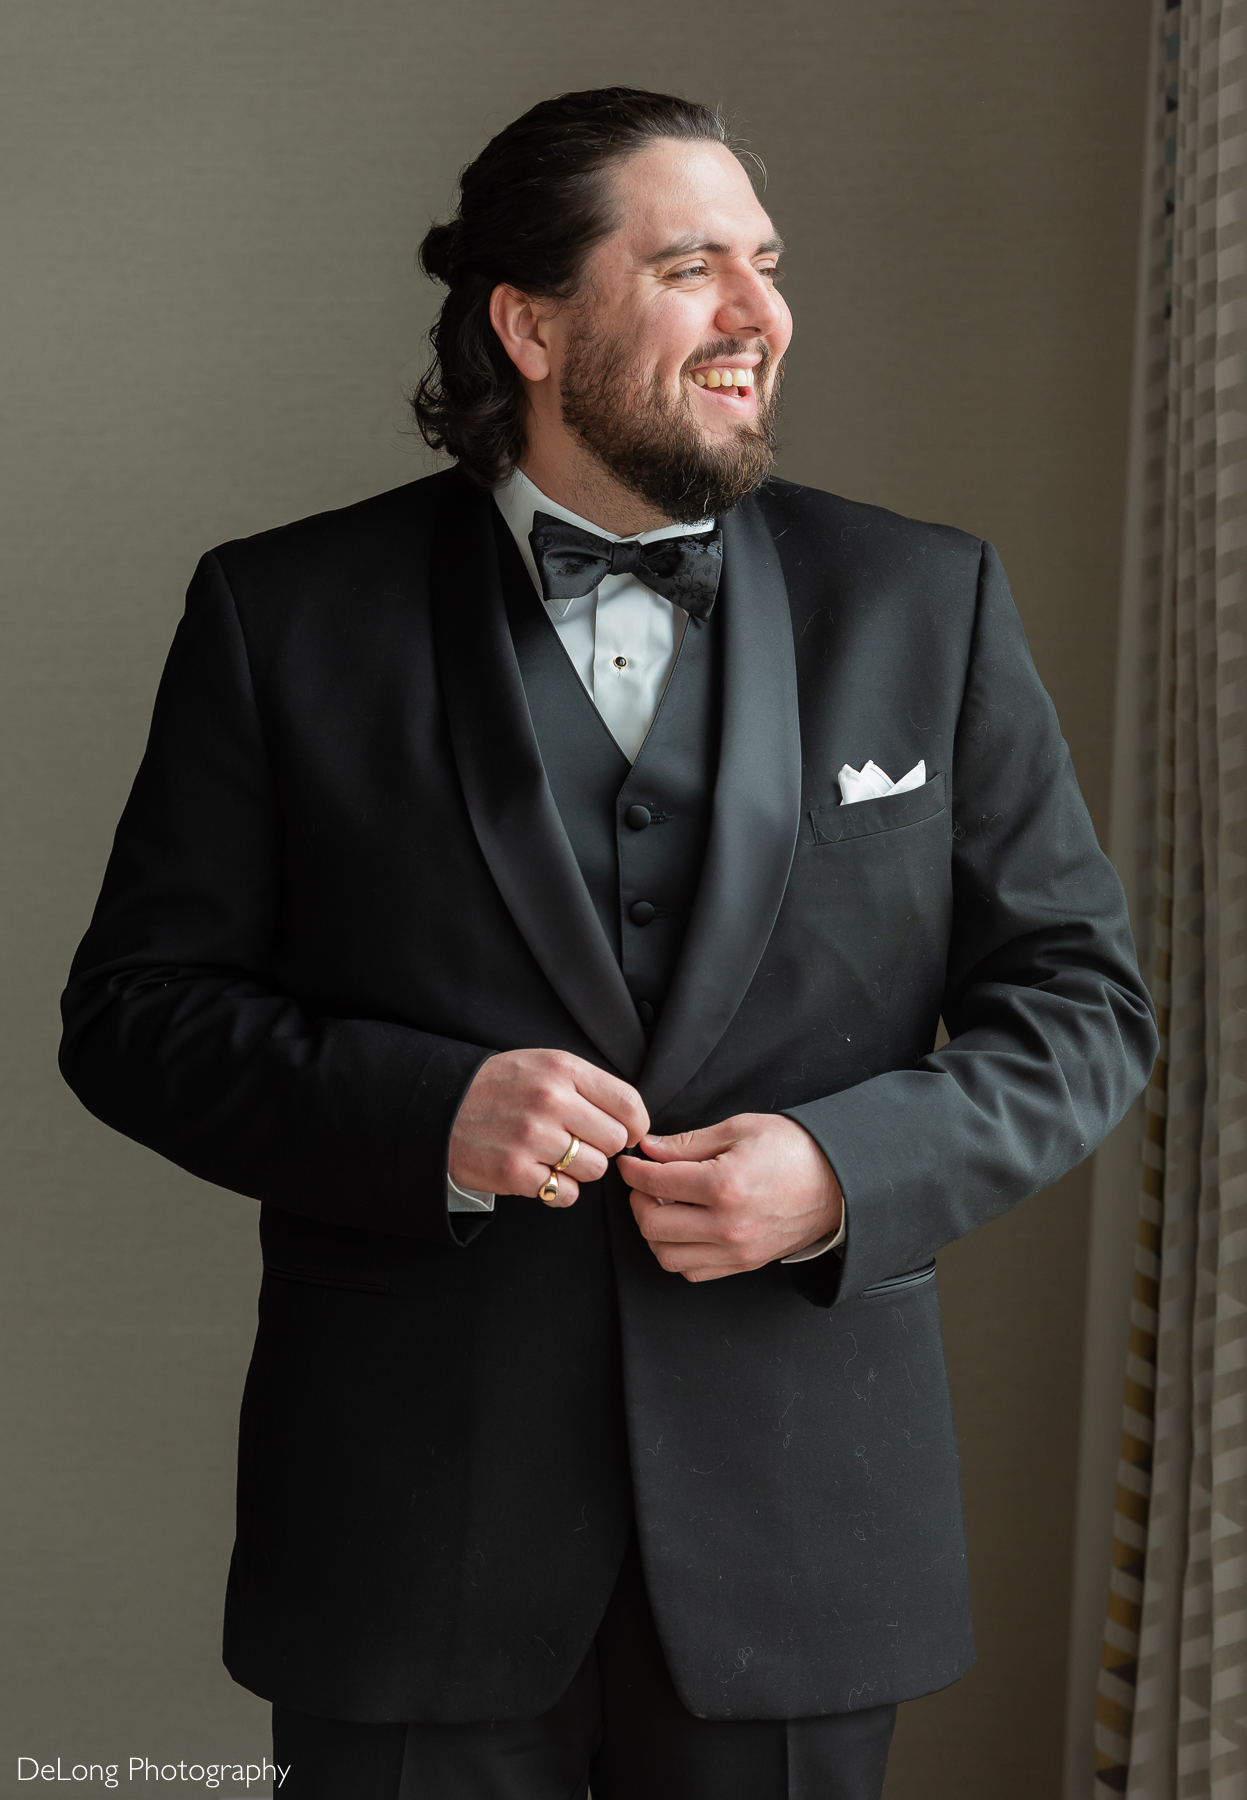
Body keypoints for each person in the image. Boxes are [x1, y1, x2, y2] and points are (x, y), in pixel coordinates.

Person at [59, 86, 1157, 1800]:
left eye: (769, 266)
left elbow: (1084, 1008)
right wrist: (429, 1113)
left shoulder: (926, 602)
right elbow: (133, 1014)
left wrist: (844, 1166)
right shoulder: (280, 617)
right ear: (533, 323)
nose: (759, 315)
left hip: (804, 1530)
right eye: (692, 266)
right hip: (407, 1535)